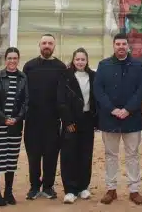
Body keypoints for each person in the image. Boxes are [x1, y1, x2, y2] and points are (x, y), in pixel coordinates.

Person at [94, 32, 142, 205]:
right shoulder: (103, 65)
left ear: (128, 46)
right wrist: (113, 109)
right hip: (110, 119)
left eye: (124, 44)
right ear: (114, 46)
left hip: (132, 118)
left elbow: (141, 89)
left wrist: (128, 109)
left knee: (132, 155)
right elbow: (98, 91)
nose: (121, 47)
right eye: (118, 44)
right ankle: (111, 189)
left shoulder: (138, 66)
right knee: (110, 155)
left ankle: (134, 190)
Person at [22, 34, 64, 200]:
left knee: (51, 155)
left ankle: (48, 186)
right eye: (44, 43)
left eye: (50, 43)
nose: (47, 45)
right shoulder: (29, 66)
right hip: (32, 120)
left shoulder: (61, 67)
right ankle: (34, 186)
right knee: (33, 155)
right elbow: (22, 92)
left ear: (54, 46)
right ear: (39, 45)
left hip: (53, 121)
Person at [0, 47, 29, 207]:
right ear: (5, 60)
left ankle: (8, 192)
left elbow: (26, 101)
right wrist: (4, 118)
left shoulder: (23, 77)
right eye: (9, 58)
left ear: (18, 59)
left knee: (11, 160)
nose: (12, 61)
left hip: (15, 126)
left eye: (15, 58)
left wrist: (17, 118)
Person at [58, 48, 97, 204]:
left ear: (87, 61)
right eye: (77, 59)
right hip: (71, 121)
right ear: (73, 61)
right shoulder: (65, 77)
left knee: (85, 154)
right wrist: (68, 122)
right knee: (69, 155)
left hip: (87, 120)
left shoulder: (93, 76)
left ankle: (83, 187)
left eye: (83, 59)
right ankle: (70, 190)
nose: (80, 62)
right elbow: (61, 102)